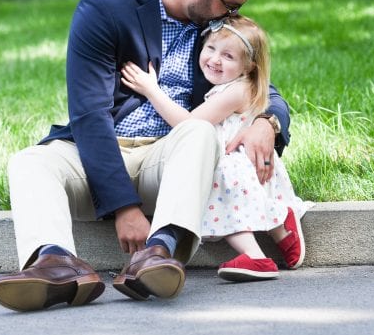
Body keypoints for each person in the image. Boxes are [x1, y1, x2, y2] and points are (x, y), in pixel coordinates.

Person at [0, 0, 292, 311]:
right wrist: (123, 206)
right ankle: (55, 263)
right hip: (101, 154)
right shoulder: (104, 9)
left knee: (198, 131)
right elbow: (90, 115)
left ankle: (159, 254)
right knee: (29, 162)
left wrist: (268, 122)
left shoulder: (212, 28)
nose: (233, 16)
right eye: (230, 6)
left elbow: (260, 82)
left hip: (170, 160)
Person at [120, 15, 308, 282]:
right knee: (216, 183)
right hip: (234, 160)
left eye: (228, 56)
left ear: (248, 67)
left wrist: (152, 91)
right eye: (210, 48)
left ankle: (256, 256)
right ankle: (281, 226)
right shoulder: (230, 85)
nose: (215, 60)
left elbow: (188, 124)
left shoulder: (236, 90)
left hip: (234, 161)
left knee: (213, 186)